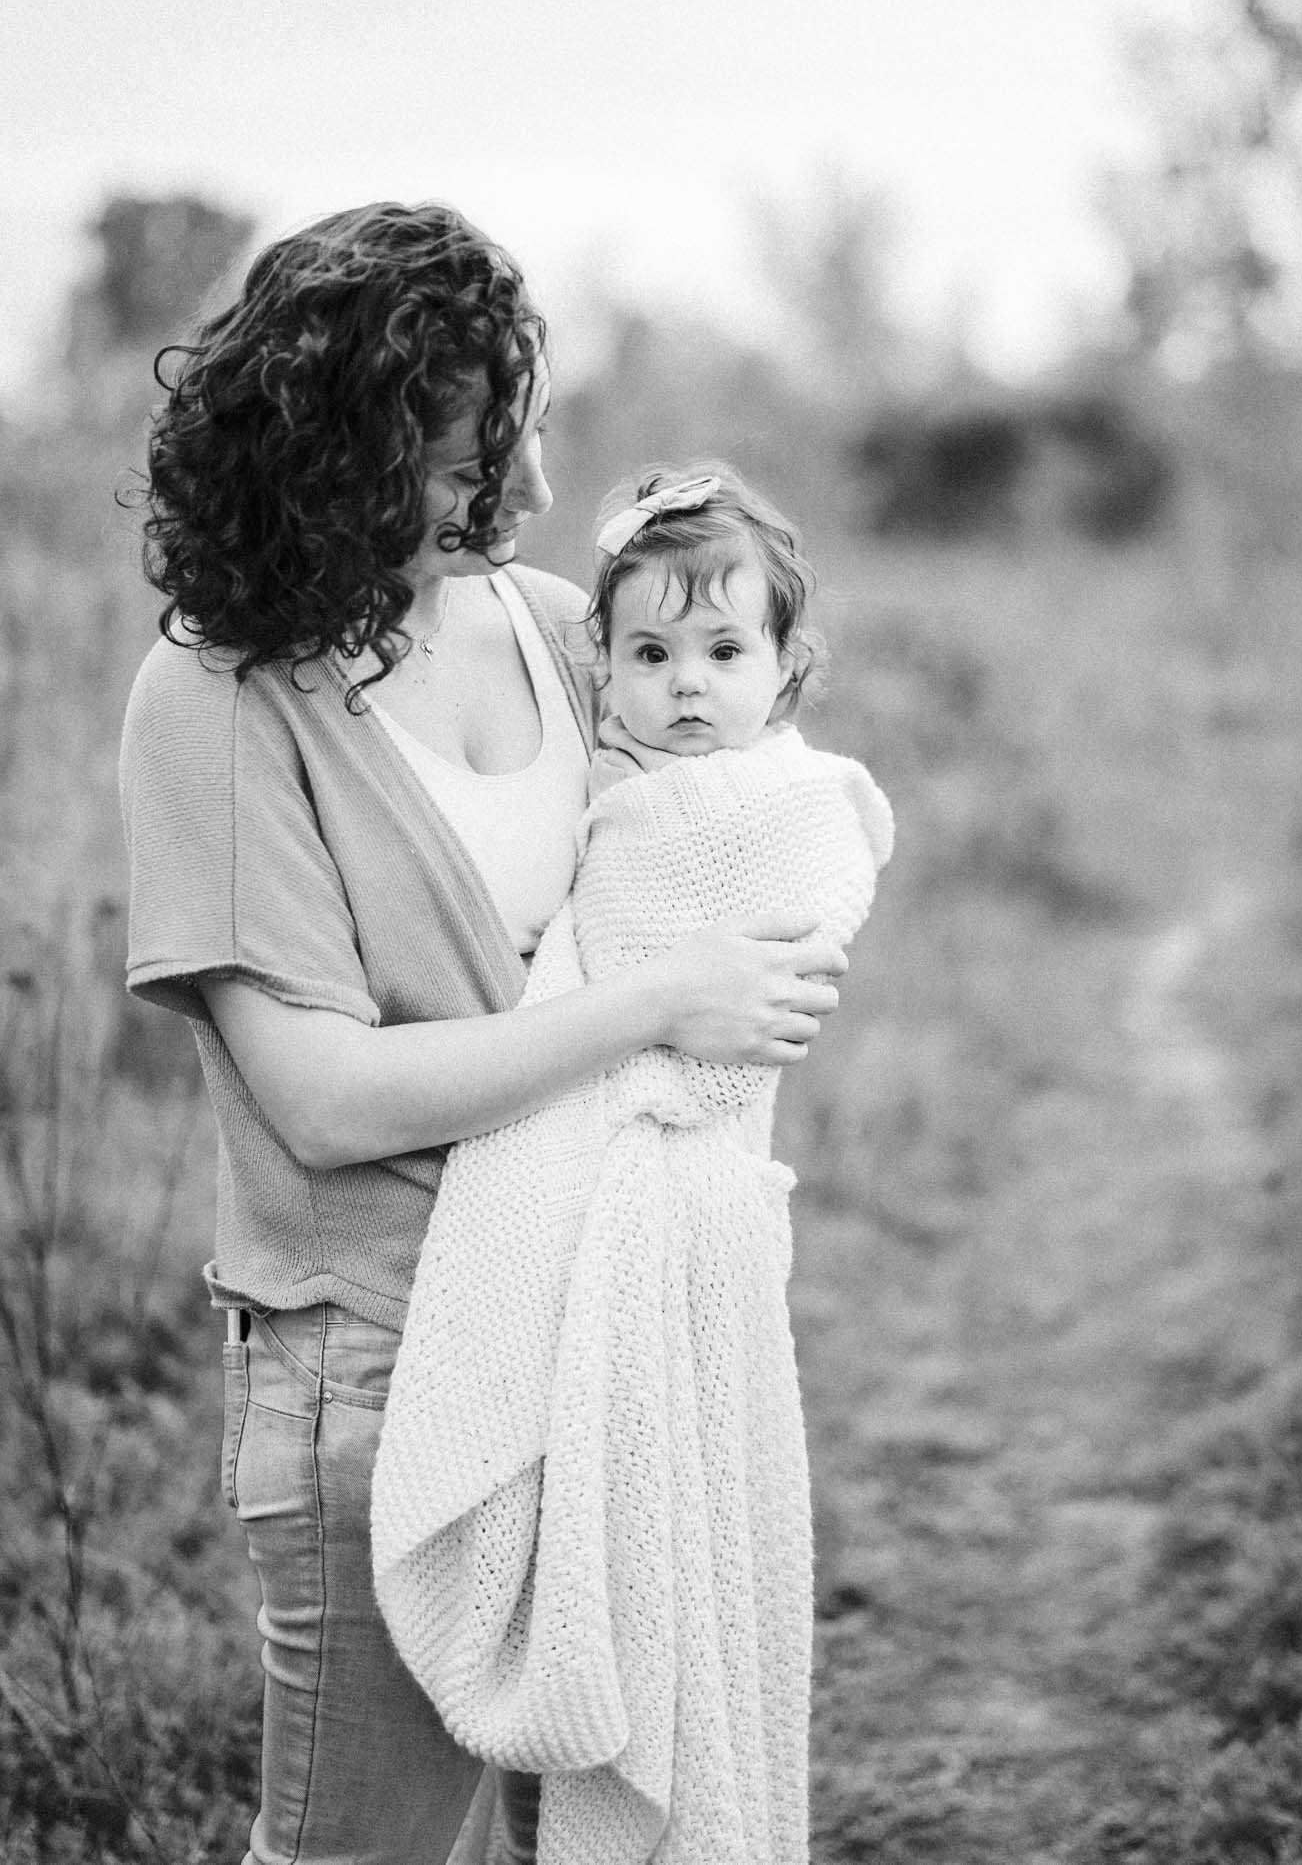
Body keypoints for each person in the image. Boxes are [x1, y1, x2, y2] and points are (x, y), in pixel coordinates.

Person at [116, 204, 848, 1865]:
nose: (523, 499)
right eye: (467, 468)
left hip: (603, 1328)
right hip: (370, 1366)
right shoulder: (216, 699)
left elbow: (712, 825)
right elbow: (318, 1096)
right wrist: (660, 1004)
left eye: (524, 440)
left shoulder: (540, 619)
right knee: (370, 1853)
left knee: (595, 1824)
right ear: (340, 468)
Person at [372, 469, 893, 1865]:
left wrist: (646, 1059)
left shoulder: (780, 801)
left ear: (788, 670)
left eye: (726, 653)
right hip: (602, 1193)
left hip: (683, 1197)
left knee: (691, 1565)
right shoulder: (609, 791)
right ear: (605, 664)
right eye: (652, 654)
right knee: (625, 1540)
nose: (686, 685)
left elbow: (747, 987)